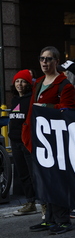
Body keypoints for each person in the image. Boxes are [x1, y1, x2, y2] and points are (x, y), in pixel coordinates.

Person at [25, 46, 75, 234]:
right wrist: (26, 131)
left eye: (48, 59)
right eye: (42, 59)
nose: (44, 62)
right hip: (37, 138)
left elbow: (69, 109)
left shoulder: (65, 84)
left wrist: (47, 106)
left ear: (56, 61)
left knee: (57, 180)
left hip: (56, 140)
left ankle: (63, 220)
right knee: (43, 180)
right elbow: (31, 109)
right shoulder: (38, 82)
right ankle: (49, 218)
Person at [10, 70, 37, 216]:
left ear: (28, 83)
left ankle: (44, 204)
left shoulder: (31, 99)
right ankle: (30, 202)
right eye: (17, 81)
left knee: (33, 174)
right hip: (15, 142)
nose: (20, 84)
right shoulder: (14, 100)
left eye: (23, 81)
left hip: (26, 141)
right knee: (23, 174)